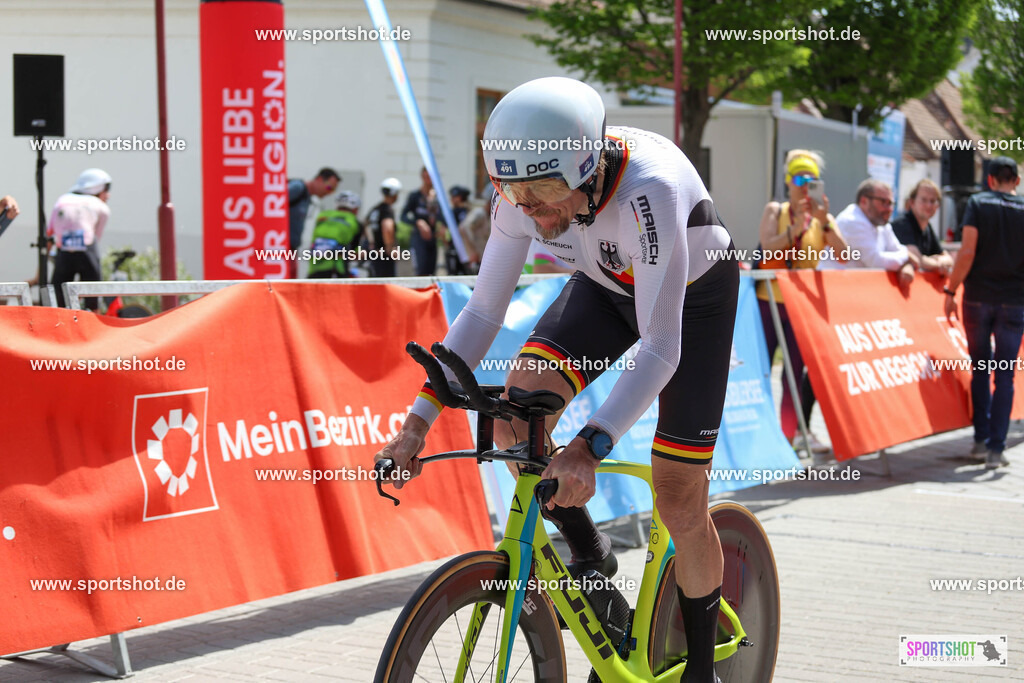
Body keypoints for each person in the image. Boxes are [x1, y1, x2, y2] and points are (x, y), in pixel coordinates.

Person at [374, 77, 737, 683]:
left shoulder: (649, 191)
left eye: (545, 192)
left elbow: (661, 345)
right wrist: (415, 426)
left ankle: (703, 668)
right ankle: (589, 555)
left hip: (691, 300)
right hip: (603, 287)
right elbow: (484, 311)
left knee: (676, 492)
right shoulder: (520, 198)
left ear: (589, 169)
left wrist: (589, 445)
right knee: (517, 410)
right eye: (514, 191)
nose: (532, 210)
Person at [756, 150, 848, 454]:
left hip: (798, 307)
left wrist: (823, 224)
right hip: (768, 302)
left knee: (794, 374)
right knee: (761, 371)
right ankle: (758, 435)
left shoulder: (823, 220)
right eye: (799, 178)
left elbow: (845, 255)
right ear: (788, 181)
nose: (805, 185)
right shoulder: (775, 210)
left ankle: (786, 438)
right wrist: (793, 231)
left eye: (811, 179)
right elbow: (768, 248)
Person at [943, 157, 1024, 469]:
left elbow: (966, 252)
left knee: (980, 369)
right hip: (1014, 303)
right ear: (1015, 181)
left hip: (978, 300)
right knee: (1005, 374)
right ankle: (996, 449)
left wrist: (951, 290)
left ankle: (979, 440)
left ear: (989, 180)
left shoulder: (978, 204)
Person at [823, 179, 921, 289]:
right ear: (864, 201)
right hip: (834, 289)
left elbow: (895, 249)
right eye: (884, 202)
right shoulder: (852, 221)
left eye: (891, 203)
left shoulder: (881, 222)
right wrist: (906, 257)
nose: (889, 209)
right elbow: (875, 261)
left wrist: (906, 263)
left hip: (853, 290)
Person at [48, 169, 111, 310]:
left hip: (63, 253)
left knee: (59, 299)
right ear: (97, 187)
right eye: (107, 189)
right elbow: (97, 235)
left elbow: (50, 232)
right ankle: (93, 326)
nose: (108, 195)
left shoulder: (61, 201)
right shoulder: (101, 206)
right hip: (88, 251)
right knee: (93, 294)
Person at [891, 179, 954, 274]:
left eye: (933, 201)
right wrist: (938, 263)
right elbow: (917, 260)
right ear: (912, 202)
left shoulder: (928, 228)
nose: (929, 205)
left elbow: (948, 259)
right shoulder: (902, 224)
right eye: (924, 200)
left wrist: (934, 261)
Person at [288, 168, 340, 276]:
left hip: (291, 250)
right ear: (320, 179)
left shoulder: (307, 197)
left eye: (333, 190)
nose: (329, 192)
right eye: (329, 187)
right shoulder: (298, 188)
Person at [307, 191, 361, 279]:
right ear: (355, 209)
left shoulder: (323, 215)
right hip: (336, 268)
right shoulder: (354, 221)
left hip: (314, 268)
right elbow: (355, 253)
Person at [401, 167, 439, 276]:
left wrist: (442, 226)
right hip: (419, 237)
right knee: (420, 270)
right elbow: (404, 216)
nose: (428, 180)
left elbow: (443, 216)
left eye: (430, 177)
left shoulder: (437, 196)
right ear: (422, 177)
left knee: (431, 272)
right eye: (426, 177)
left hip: (433, 237)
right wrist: (418, 222)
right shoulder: (415, 195)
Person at [365, 178, 402, 277]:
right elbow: (387, 227)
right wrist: (390, 248)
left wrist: (371, 242)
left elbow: (366, 225)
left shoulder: (375, 209)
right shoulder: (387, 210)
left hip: (374, 253)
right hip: (384, 255)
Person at [443, 185, 471, 275]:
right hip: (457, 248)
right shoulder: (464, 211)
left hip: (462, 248)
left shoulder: (461, 212)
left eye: (454, 196)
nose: (452, 199)